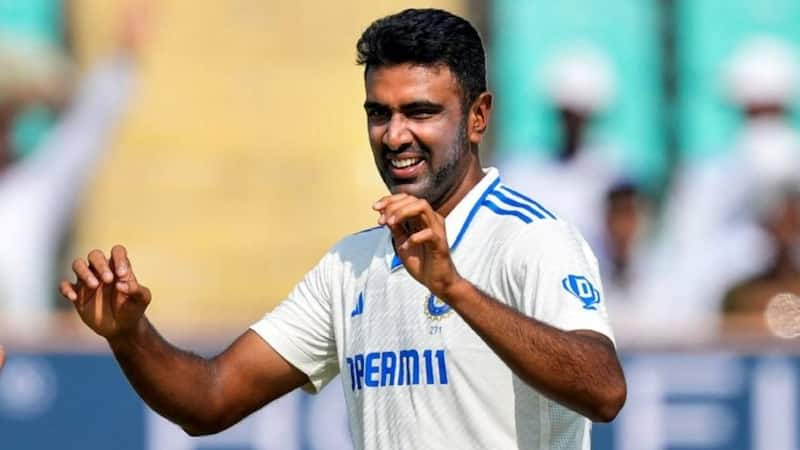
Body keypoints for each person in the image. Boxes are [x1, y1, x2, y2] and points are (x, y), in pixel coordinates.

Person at [59, 9, 626, 449]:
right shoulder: (353, 265)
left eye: (421, 112)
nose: (395, 135)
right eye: (379, 113)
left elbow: (603, 390)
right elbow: (209, 399)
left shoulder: (532, 239)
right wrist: (129, 335)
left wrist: (453, 288)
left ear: (478, 116)